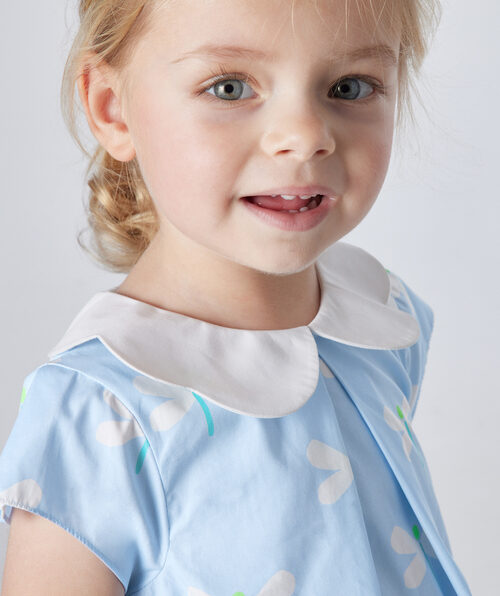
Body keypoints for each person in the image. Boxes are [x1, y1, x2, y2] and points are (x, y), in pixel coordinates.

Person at [0, 0, 473, 594]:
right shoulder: (100, 410)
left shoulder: (379, 317)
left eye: (349, 87)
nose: (305, 137)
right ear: (112, 108)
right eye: (229, 87)